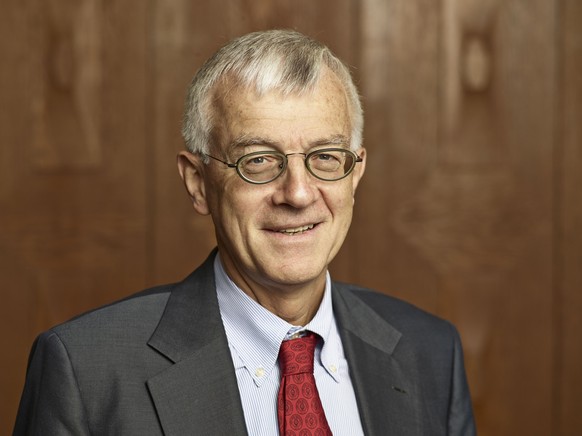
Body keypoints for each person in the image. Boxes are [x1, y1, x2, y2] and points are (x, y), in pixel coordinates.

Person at [14, 29, 476, 435]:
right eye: (258, 160)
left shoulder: (430, 352)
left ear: (355, 174)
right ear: (198, 183)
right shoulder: (86, 370)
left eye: (326, 157)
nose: (297, 193)